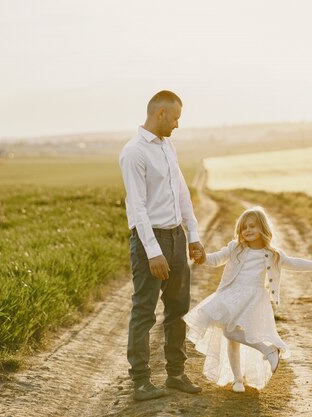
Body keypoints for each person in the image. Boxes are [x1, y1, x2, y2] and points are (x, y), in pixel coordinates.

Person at [119, 90, 205, 401]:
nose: (177, 125)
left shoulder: (168, 145)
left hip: (176, 237)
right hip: (148, 241)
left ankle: (176, 374)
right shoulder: (133, 152)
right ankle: (141, 381)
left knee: (178, 310)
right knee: (144, 312)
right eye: (176, 118)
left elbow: (181, 192)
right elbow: (138, 207)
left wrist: (192, 235)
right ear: (161, 114)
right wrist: (153, 251)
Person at [185, 207, 312, 393]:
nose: (247, 230)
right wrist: (203, 257)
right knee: (231, 337)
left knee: (231, 333)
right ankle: (238, 379)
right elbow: (215, 259)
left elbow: (293, 263)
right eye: (243, 227)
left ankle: (268, 350)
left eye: (252, 226)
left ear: (262, 227)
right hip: (232, 295)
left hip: (253, 298)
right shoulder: (235, 248)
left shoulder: (271, 253)